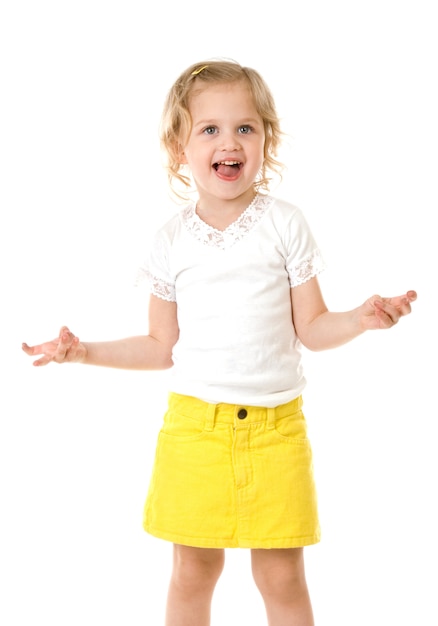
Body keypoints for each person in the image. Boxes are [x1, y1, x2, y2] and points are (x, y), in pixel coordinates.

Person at [22, 60, 417, 626]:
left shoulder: (285, 224)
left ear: (266, 140)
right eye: (209, 129)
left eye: (245, 128)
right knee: (192, 571)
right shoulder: (171, 240)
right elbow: (161, 346)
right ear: (179, 146)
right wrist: (83, 352)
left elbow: (312, 328)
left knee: (281, 575)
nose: (228, 142)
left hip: (277, 430)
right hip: (194, 432)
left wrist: (360, 318)